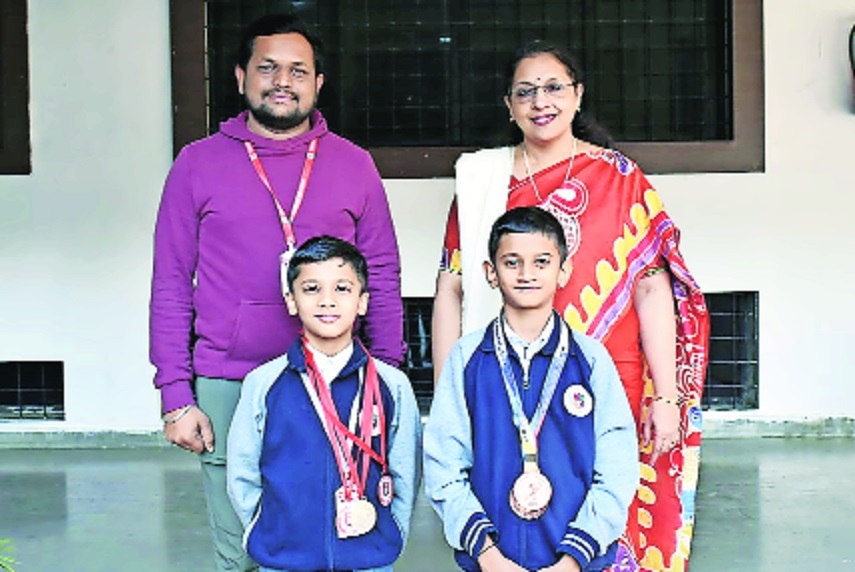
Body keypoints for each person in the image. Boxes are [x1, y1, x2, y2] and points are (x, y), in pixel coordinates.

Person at [431, 40, 709, 571]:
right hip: (502, 384)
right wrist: (453, 394)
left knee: (604, 510)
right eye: (526, 91)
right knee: (505, 514)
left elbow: (651, 290)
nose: (541, 101)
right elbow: (452, 289)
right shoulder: (482, 182)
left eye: (554, 87)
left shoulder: (620, 178)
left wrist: (668, 396)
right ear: (508, 105)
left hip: (606, 379)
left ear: (578, 95)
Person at [149, 13, 405, 571]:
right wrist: (176, 393)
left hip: (338, 380)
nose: (282, 81)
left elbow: (381, 274)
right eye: (267, 68)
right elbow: (170, 282)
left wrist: (384, 373)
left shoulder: (354, 164)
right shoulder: (197, 163)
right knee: (240, 547)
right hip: (229, 380)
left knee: (335, 540)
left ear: (318, 84)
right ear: (242, 77)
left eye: (298, 70)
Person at [424, 207, 638, 572]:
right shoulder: (467, 357)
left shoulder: (589, 359)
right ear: (491, 273)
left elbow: (617, 470)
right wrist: (488, 557)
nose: (526, 274)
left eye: (541, 262)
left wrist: (574, 559)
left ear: (564, 271)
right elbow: (444, 466)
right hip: (490, 562)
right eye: (512, 262)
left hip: (576, 561)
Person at [227, 236, 421, 572]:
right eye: (312, 288)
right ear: (291, 300)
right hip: (284, 560)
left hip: (369, 559)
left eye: (343, 289)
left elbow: (406, 470)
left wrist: (393, 532)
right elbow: (242, 472)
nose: (327, 301)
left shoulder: (391, 384)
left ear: (362, 301)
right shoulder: (264, 383)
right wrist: (267, 530)